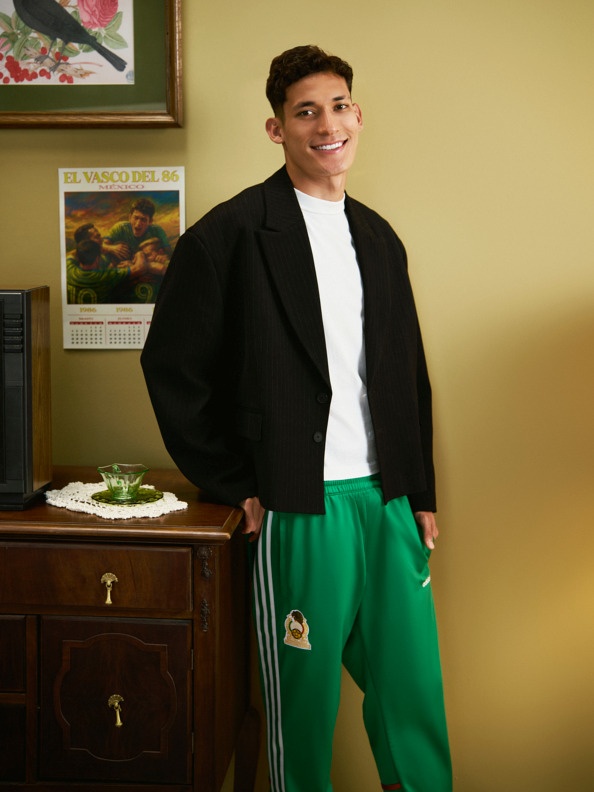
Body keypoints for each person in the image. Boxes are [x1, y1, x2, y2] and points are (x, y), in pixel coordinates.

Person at [141, 45, 452, 792]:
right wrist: (233, 480)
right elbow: (171, 369)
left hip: (387, 503)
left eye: (338, 106)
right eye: (305, 111)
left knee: (414, 701)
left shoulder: (378, 238)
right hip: (298, 506)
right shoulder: (230, 236)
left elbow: (407, 376)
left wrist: (421, 493)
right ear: (277, 129)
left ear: (358, 117)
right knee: (300, 718)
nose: (327, 124)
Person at [104, 198, 171, 263]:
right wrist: (111, 248)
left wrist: (165, 256)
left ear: (150, 221)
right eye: (136, 218)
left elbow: (169, 252)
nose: (138, 223)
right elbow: (101, 245)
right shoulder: (120, 228)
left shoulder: (157, 231)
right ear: (130, 217)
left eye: (143, 220)